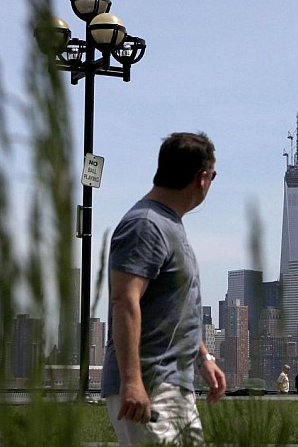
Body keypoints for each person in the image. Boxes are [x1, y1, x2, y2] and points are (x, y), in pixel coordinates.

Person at [101, 132, 226, 445]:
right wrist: (132, 381)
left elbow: (177, 306)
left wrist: (203, 358)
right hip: (149, 382)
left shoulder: (169, 224)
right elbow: (124, 300)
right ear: (201, 178)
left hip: (172, 382)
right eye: (213, 175)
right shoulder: (145, 225)